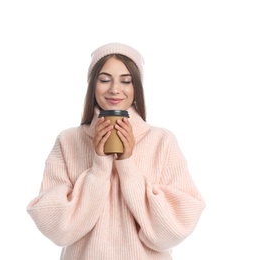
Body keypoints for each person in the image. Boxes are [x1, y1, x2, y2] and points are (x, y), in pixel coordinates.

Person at [27, 42, 205, 260]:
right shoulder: (68, 141)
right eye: (104, 79)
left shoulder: (162, 141)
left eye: (126, 81)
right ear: (93, 85)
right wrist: (99, 168)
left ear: (136, 87)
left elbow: (174, 229)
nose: (114, 89)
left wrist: (127, 166)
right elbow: (58, 229)